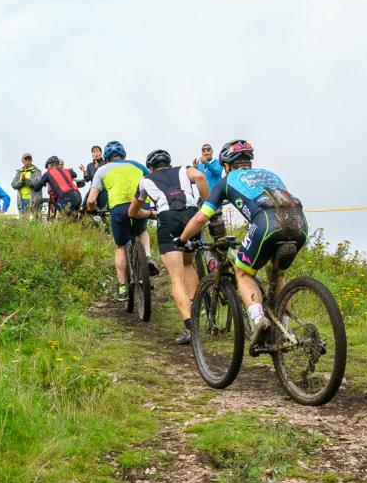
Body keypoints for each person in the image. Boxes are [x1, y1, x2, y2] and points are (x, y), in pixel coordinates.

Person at [177, 139, 307, 337]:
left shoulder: (226, 181)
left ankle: (258, 320)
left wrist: (182, 238)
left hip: (266, 223)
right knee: (278, 274)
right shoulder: (271, 175)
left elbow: (202, 217)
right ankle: (285, 330)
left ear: (227, 165)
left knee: (242, 271)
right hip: (299, 224)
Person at [129, 149, 209, 344]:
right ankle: (197, 310)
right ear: (169, 162)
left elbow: (132, 212)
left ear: (150, 167)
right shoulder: (184, 169)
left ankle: (191, 327)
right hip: (191, 215)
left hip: (167, 218)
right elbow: (199, 176)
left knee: (176, 277)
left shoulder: (145, 180)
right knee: (188, 264)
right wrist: (205, 204)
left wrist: (150, 214)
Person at [83, 141, 151, 300]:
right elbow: (152, 181)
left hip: (119, 208)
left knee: (120, 246)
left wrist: (91, 209)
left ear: (106, 158)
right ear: (124, 155)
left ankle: (122, 288)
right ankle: (148, 258)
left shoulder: (101, 170)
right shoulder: (138, 165)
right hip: (140, 204)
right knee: (141, 231)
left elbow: (91, 199)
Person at [11, 154, 45, 219]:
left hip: (34, 200)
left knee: (37, 221)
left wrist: (25, 180)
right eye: (25, 159)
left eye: (29, 159)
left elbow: (38, 183)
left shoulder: (37, 171)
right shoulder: (19, 172)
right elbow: (13, 184)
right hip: (22, 201)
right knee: (23, 223)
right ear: (22, 161)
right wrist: (21, 182)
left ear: (31, 160)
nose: (27, 160)